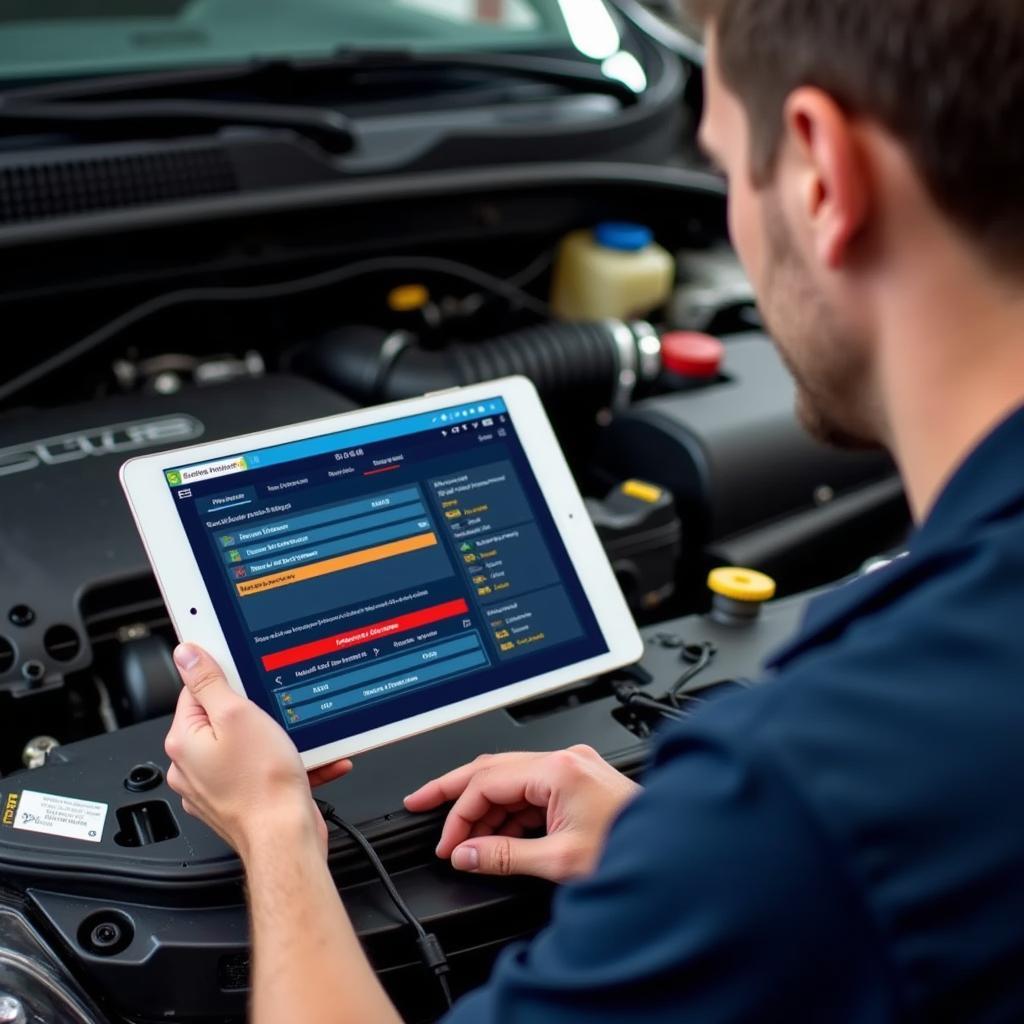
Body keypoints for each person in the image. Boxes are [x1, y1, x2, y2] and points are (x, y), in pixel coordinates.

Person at [163, 0, 1024, 1020]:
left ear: (820, 173)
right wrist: (676, 852)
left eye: (722, 172)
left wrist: (270, 824)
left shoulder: (821, 783)